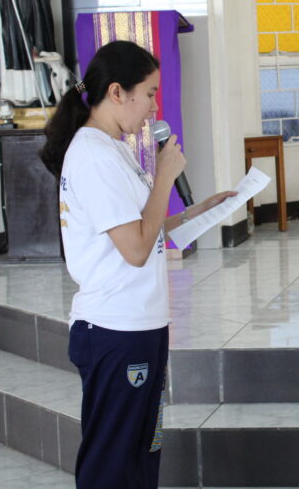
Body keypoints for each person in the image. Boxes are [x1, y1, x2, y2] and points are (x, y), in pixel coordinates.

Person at [39, 40, 235, 488]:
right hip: (115, 329)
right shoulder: (93, 155)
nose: (154, 107)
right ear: (116, 92)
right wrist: (164, 174)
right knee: (112, 461)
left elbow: (141, 228)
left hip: (139, 324)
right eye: (148, 93)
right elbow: (135, 249)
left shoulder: (112, 149)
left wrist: (199, 211)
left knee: (143, 451)